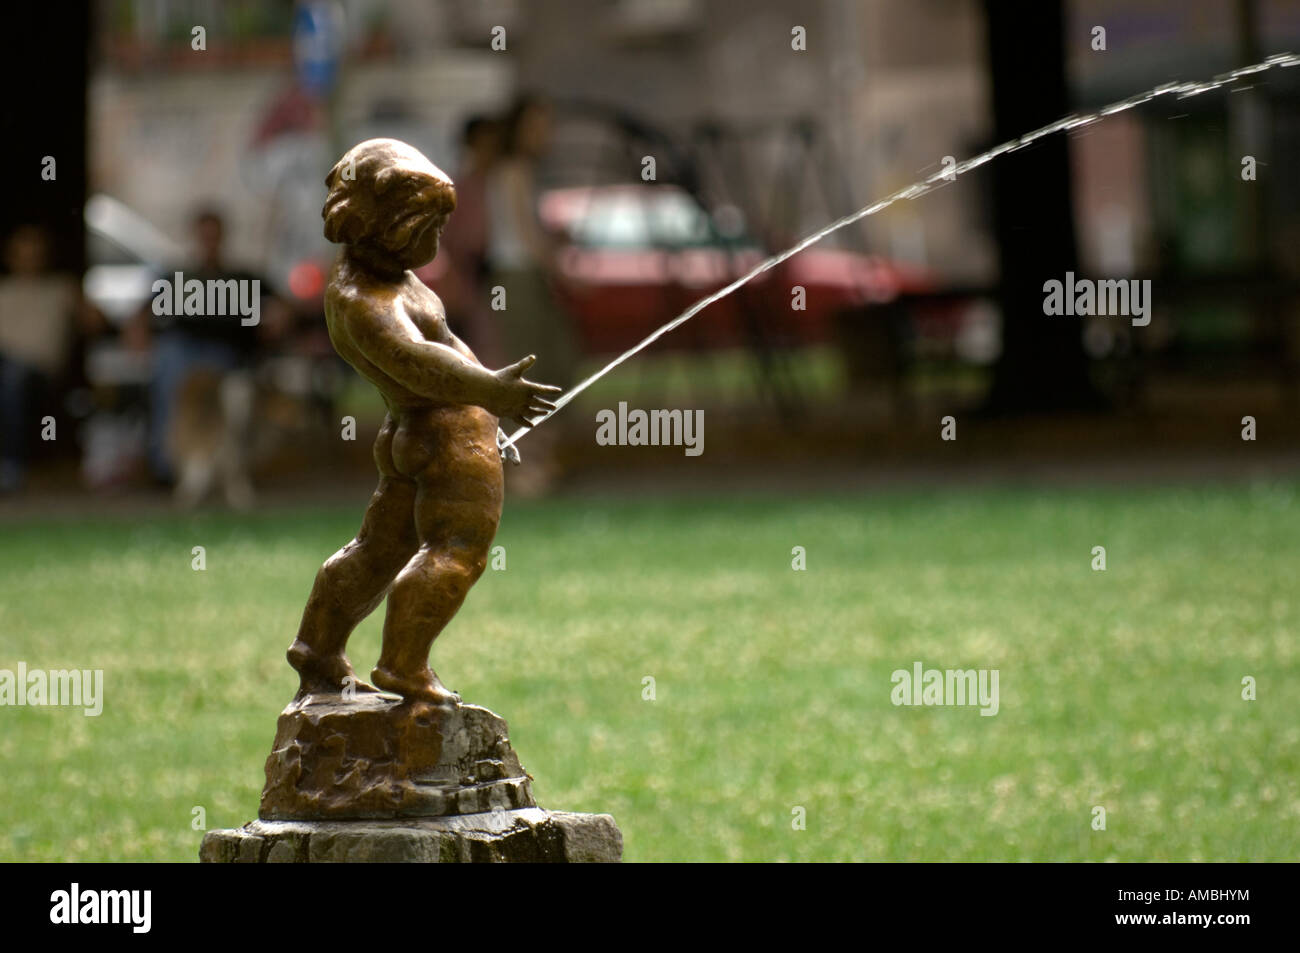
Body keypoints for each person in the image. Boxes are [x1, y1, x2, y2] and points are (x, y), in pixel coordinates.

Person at [287, 138, 560, 705]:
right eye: (429, 227)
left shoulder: (383, 275)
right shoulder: (367, 301)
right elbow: (418, 361)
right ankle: (404, 665)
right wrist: (490, 392)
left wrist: (487, 398)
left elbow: (445, 344)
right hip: (442, 438)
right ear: (388, 223)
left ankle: (317, 648)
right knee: (456, 549)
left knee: (380, 549)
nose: (439, 242)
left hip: (417, 436)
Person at [128, 208, 279, 485]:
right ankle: (169, 466)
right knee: (170, 368)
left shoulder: (243, 278)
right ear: (195, 238)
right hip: (181, 349)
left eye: (214, 236)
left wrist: (275, 319)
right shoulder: (177, 277)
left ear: (223, 237)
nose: (209, 242)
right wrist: (139, 337)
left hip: (225, 352)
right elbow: (140, 314)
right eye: (204, 236)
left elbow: (281, 308)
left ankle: (212, 468)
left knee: (211, 380)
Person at [485, 94, 578, 494]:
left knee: (553, 362)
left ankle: (538, 459)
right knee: (533, 370)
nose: (546, 135)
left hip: (525, 278)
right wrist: (564, 272)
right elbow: (525, 236)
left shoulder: (517, 172)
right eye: (538, 125)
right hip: (518, 279)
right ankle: (526, 467)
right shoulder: (513, 172)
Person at [0, 225, 79, 492]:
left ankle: (11, 466)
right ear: (11, 256)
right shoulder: (3, 290)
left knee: (13, 376)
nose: (30, 258)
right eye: (24, 252)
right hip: (4, 364)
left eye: (36, 252)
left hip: (39, 374)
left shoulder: (61, 289)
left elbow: (97, 321)